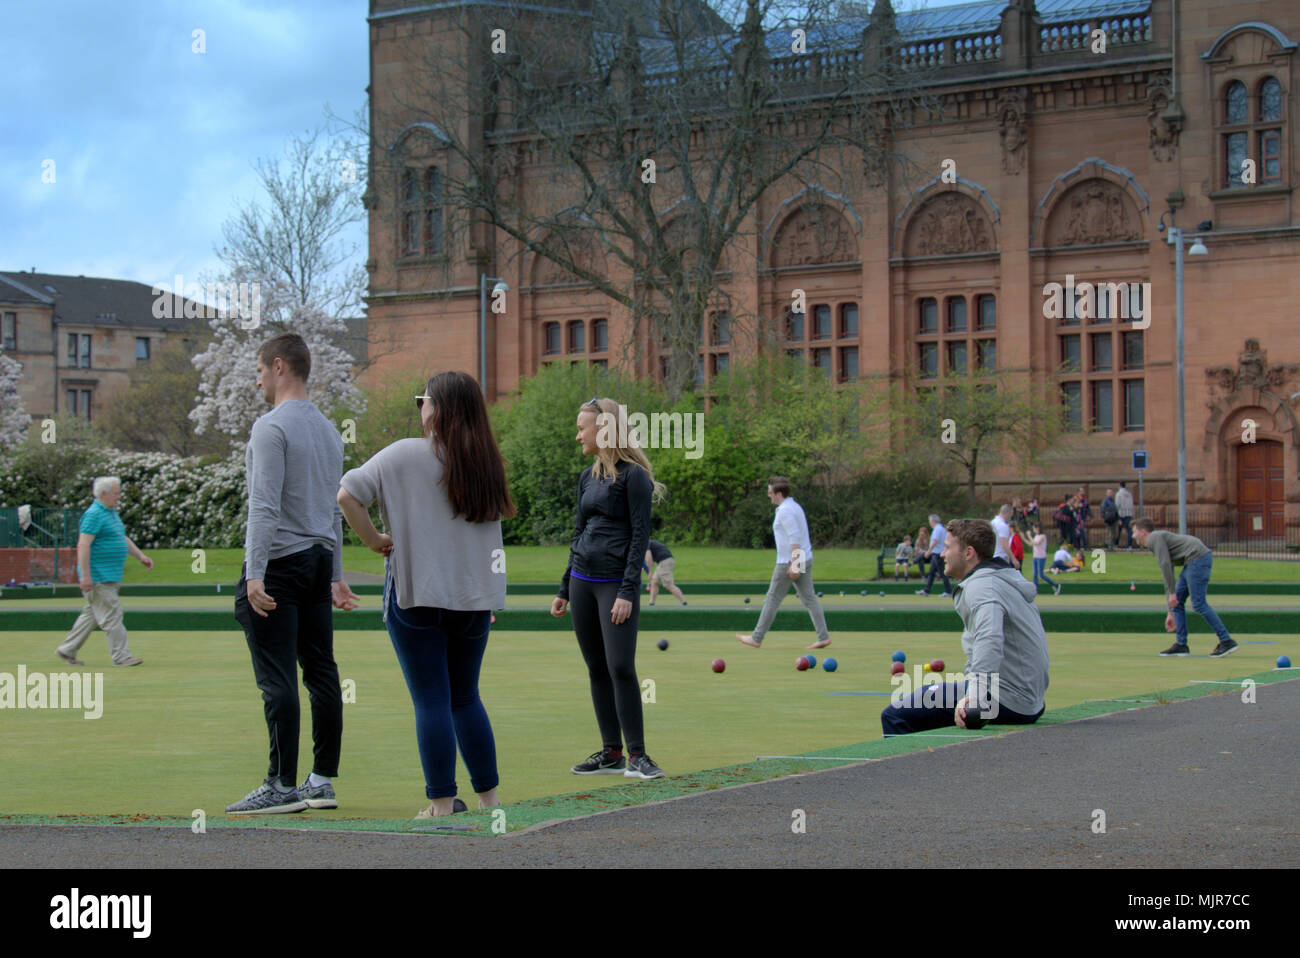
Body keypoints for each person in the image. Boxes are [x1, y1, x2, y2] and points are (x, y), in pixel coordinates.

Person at [338, 371, 512, 818]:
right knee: (466, 697)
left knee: (431, 700)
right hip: (472, 601)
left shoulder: (402, 454)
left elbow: (347, 495)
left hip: (415, 596)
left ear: (436, 407)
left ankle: (440, 804)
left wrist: (375, 539)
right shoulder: (486, 462)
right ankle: (490, 800)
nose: (420, 408)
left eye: (424, 400)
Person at [227, 333, 360, 816]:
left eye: (260, 369)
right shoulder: (328, 431)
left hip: (280, 564)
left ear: (279, 366)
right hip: (317, 561)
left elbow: (263, 506)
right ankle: (320, 780)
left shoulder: (270, 427)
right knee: (321, 670)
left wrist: (254, 574)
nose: (258, 378)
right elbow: (332, 510)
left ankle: (280, 785)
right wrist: (337, 574)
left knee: (277, 675)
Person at [551, 397, 666, 780]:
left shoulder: (634, 477)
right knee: (596, 667)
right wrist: (565, 587)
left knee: (620, 666)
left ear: (604, 430)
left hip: (614, 585)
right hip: (583, 582)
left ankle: (638, 755)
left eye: (582, 427)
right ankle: (611, 752)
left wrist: (627, 591)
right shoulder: (588, 477)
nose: (578, 433)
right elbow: (579, 532)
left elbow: (640, 538)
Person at [880, 518, 1049, 735]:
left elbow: (990, 640)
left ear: (968, 553)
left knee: (894, 716)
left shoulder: (982, 586)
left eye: (948, 548)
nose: (942, 554)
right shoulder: (1000, 578)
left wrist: (975, 697)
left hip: (1006, 699)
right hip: (1028, 699)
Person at [55, 477, 152, 667]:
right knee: (112, 615)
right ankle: (122, 656)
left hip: (110, 576)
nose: (119, 496)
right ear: (104, 494)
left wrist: (140, 556)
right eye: (116, 493)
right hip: (99, 577)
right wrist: (86, 576)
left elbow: (120, 538)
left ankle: (67, 649)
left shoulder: (111, 513)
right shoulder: (94, 514)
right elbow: (83, 545)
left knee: (91, 614)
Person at [737, 476, 831, 651]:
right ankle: (823, 637)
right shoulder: (794, 506)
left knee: (772, 598)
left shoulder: (785, 511)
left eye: (770, 493)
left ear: (778, 494)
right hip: (803, 557)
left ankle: (756, 638)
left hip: (789, 560)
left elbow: (794, 537)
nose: (768, 496)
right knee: (809, 598)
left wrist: (794, 564)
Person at [1132, 518, 1238, 658]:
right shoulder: (1155, 541)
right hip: (1191, 561)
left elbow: (1165, 565)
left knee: (1199, 604)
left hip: (1197, 558)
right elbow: (1167, 575)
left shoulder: (1154, 538)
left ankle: (1226, 641)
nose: (1132, 536)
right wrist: (1170, 611)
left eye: (1134, 532)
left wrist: (1171, 594)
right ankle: (1181, 645)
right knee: (1178, 602)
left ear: (1143, 532)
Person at [916, 514, 952, 596]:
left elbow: (935, 541)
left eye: (930, 521)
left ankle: (949, 591)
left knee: (942, 573)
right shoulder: (941, 528)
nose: (929, 523)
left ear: (933, 521)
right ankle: (926, 590)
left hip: (937, 554)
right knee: (931, 573)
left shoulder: (937, 529)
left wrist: (928, 551)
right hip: (938, 553)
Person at [645, 539, 687, 606]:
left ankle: (684, 603)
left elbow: (648, 559)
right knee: (654, 582)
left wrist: (649, 572)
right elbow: (651, 562)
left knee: (668, 585)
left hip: (665, 562)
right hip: (663, 562)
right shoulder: (648, 542)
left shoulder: (645, 542)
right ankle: (651, 603)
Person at [1029, 523, 1060, 595]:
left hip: (1041, 557)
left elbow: (1036, 543)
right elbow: (1031, 544)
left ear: (1038, 528)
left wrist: (1029, 536)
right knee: (1035, 574)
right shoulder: (1036, 536)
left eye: (1034, 528)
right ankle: (1035, 590)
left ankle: (1055, 585)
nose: (1033, 530)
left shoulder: (1043, 536)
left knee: (1041, 574)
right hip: (1035, 556)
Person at [1115, 482, 1135, 549]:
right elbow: (1132, 504)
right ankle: (1129, 545)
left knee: (1118, 530)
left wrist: (1117, 516)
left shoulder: (1119, 494)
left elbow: (1117, 505)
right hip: (1129, 514)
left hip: (1121, 514)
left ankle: (1116, 544)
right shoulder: (1129, 494)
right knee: (1129, 531)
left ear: (1119, 486)